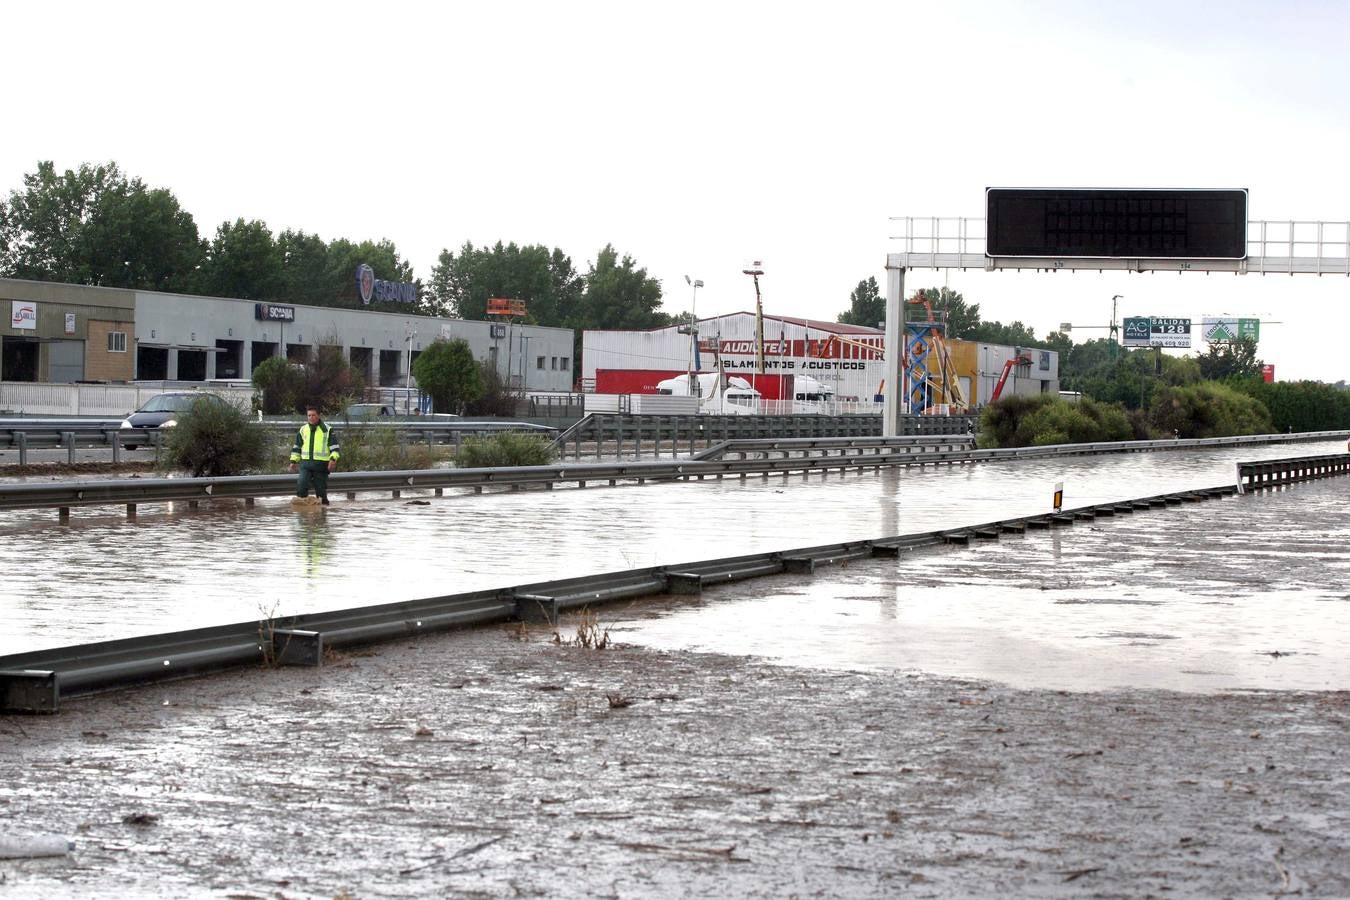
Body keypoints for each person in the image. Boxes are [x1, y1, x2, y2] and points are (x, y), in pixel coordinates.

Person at [288, 406, 340, 505]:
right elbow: (297, 447)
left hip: (321, 465)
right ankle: (303, 516)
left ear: (318, 416)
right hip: (306, 465)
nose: (311, 417)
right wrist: (293, 461)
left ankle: (322, 516)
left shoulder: (327, 430)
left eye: (313, 415)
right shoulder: (303, 429)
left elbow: (335, 448)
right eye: (309, 415)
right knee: (301, 487)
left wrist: (333, 459)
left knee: (321, 494)